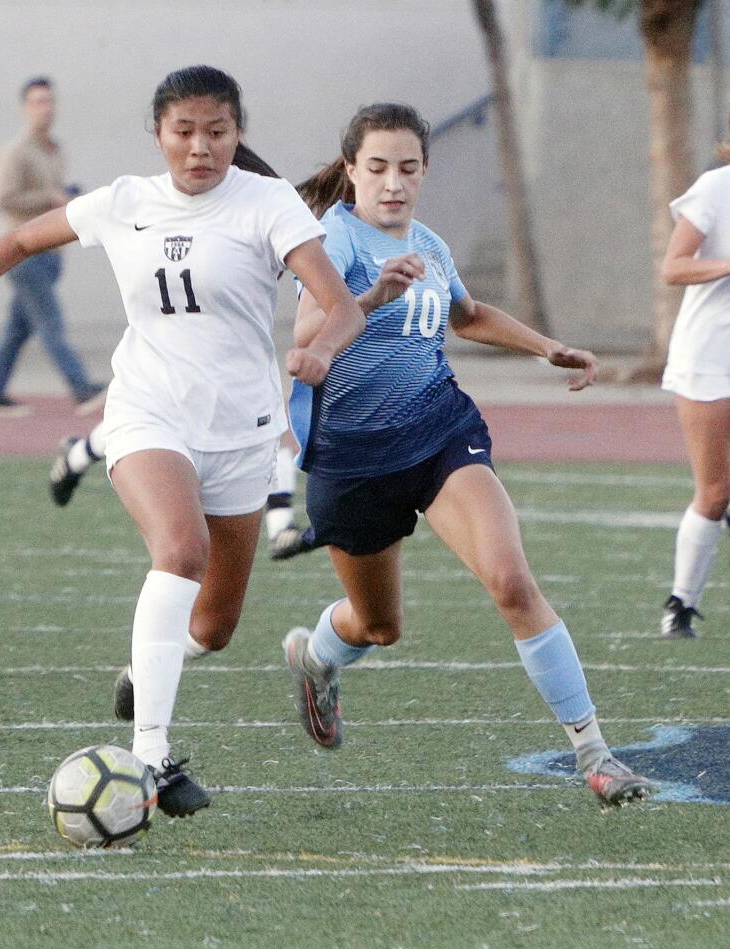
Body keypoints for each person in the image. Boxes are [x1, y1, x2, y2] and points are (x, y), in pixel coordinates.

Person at [0, 65, 366, 818]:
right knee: (179, 551)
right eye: (184, 132)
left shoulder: (266, 204)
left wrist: (320, 352)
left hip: (240, 433)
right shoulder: (125, 202)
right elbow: (18, 240)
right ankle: (153, 758)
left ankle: (149, 670)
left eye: (217, 131)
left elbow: (341, 308)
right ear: (159, 135)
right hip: (148, 415)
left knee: (213, 625)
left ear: (237, 133)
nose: (200, 147)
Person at [279, 102, 652, 809]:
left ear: (424, 172)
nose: (393, 182)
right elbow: (306, 333)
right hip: (353, 461)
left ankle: (595, 753)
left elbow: (468, 315)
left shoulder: (431, 243)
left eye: (408, 168)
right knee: (379, 627)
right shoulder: (332, 237)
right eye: (379, 167)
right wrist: (374, 292)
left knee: (512, 581)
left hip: (439, 433)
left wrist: (547, 347)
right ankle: (318, 657)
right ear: (352, 169)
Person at [0, 76, 107, 417]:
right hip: (23, 252)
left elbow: (56, 192)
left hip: (50, 252)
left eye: (49, 101)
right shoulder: (16, 152)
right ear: (25, 108)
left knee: (17, 330)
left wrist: (67, 196)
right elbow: (2, 198)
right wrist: (50, 198)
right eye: (37, 102)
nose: (46, 108)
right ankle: (82, 388)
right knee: (51, 324)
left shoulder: (54, 149)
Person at [49, 425, 314, 558]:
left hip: (232, 360)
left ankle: (280, 526)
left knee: (267, 428)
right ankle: (75, 457)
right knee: (138, 425)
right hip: (174, 355)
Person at [659, 143, 730, 638]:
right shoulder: (716, 188)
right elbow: (674, 267)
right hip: (710, 358)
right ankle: (679, 604)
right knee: (716, 491)